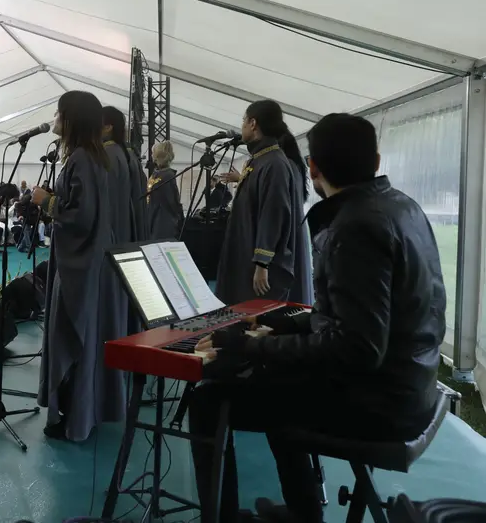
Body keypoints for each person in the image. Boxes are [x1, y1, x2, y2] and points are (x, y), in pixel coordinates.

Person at [189, 113, 446, 523]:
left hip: (382, 403)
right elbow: (360, 318)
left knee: (209, 397)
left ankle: (225, 518)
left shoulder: (356, 227)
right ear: (376, 161)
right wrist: (283, 325)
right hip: (413, 382)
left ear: (312, 168)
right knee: (274, 386)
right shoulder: (402, 206)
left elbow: (357, 348)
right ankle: (302, 511)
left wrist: (254, 345)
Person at [31, 90, 121, 441]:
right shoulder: (94, 157)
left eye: (58, 113)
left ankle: (72, 415)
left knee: (69, 333)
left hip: (78, 265)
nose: (53, 119)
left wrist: (47, 201)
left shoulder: (82, 159)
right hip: (89, 261)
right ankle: (78, 411)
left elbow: (80, 217)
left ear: (72, 119)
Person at [215, 99, 311, 306]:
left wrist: (262, 262)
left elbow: (273, 214)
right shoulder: (259, 159)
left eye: (243, 121)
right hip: (244, 253)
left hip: (257, 265)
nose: (241, 126)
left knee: (255, 320)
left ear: (253, 124)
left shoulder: (274, 163)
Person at [102, 106, 148, 243]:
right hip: (128, 227)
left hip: (116, 231)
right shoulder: (125, 152)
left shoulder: (108, 154)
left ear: (108, 127)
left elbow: (108, 201)